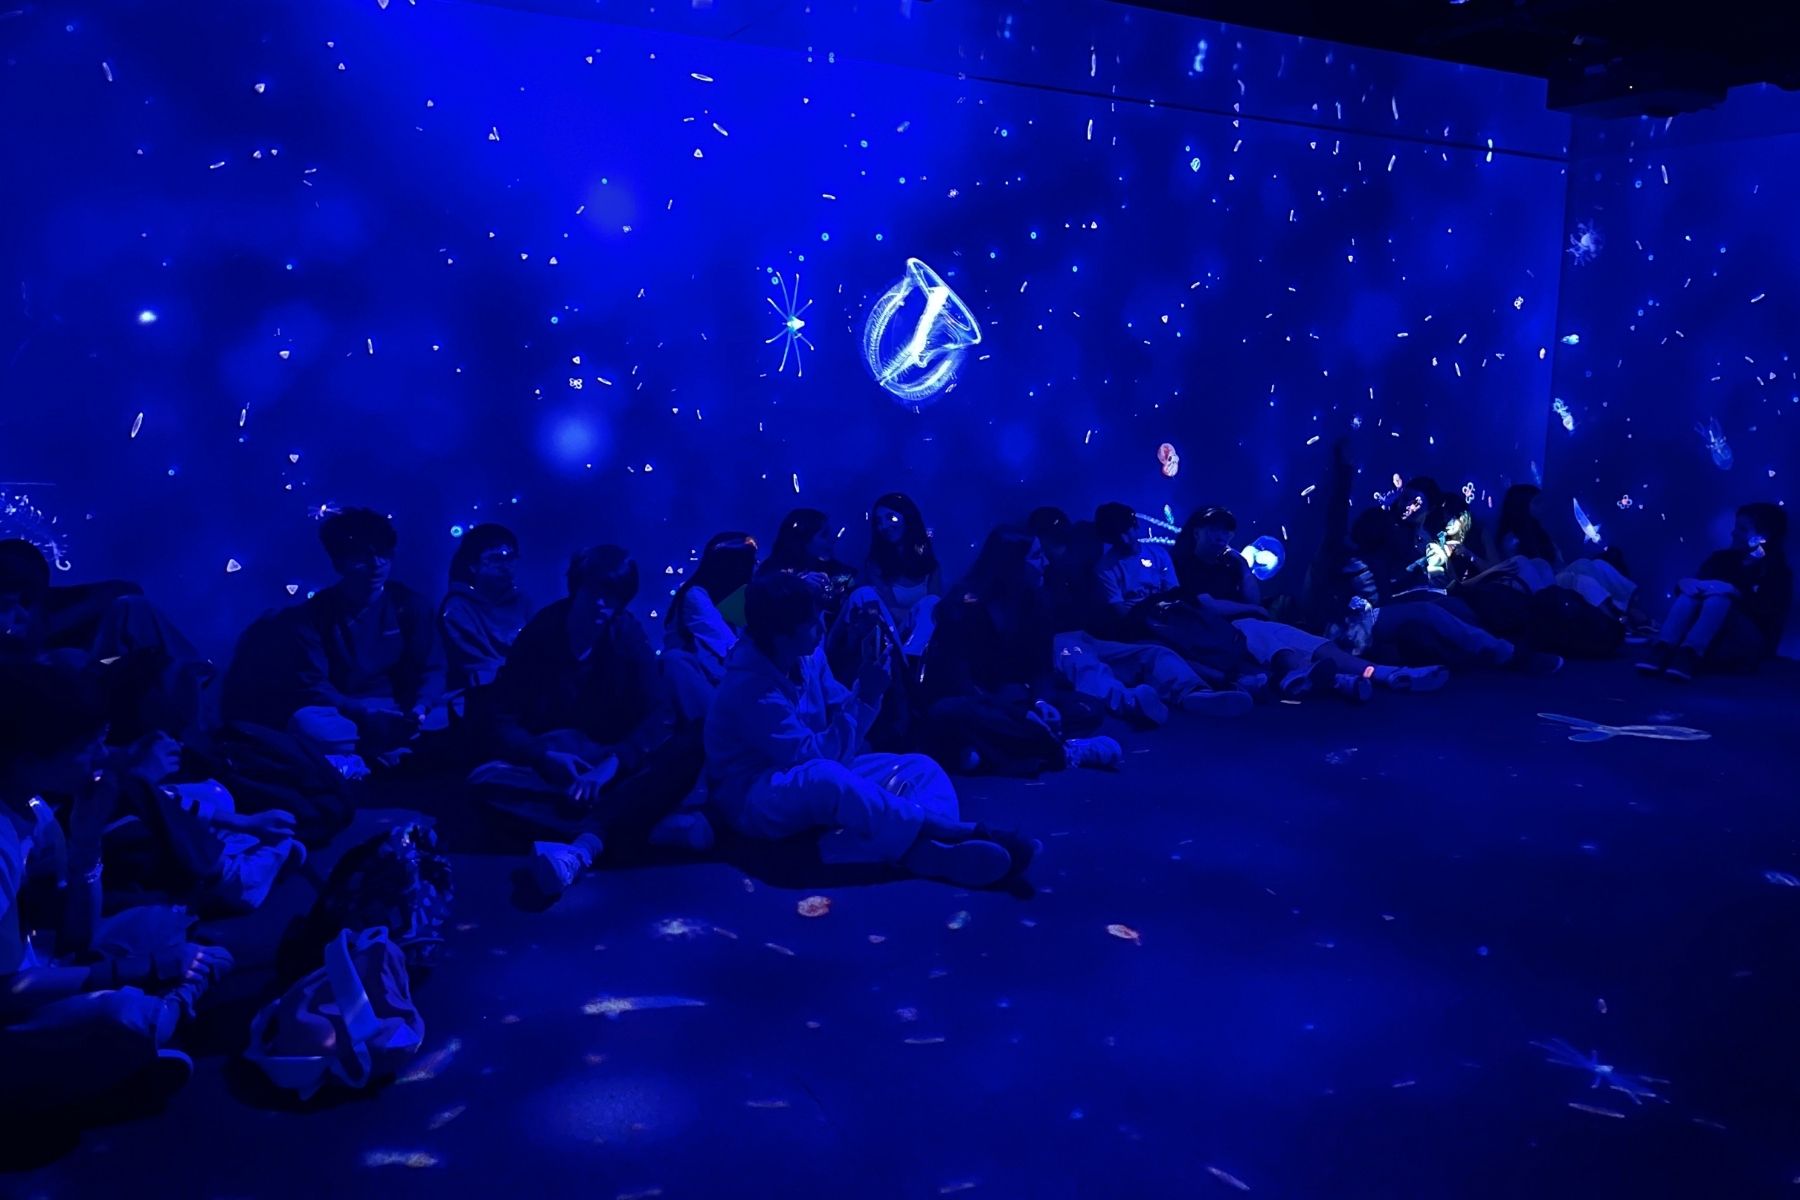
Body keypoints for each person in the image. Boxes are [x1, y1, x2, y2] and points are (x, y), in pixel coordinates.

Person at [0, 662, 233, 1112]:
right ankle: (153, 1023)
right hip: (9, 1005)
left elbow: (75, 938)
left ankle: (136, 1038)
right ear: (28, 760)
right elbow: (5, 990)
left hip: (38, 966)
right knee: (127, 1016)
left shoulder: (31, 804)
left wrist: (87, 840)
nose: (102, 757)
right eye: (88, 747)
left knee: (168, 923)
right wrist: (141, 969)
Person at [705, 572, 1029, 886]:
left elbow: (837, 708)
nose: (822, 629)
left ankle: (922, 850)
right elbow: (810, 757)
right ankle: (951, 831)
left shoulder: (806, 657)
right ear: (781, 635)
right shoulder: (750, 687)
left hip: (814, 766)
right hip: (756, 795)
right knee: (825, 778)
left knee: (921, 767)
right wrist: (866, 698)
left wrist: (868, 683)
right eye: (812, 624)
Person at [475, 546, 709, 902]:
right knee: (487, 781)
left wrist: (613, 762)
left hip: (609, 764)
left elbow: (658, 714)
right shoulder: (543, 632)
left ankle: (588, 836)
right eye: (594, 593)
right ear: (577, 588)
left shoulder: (625, 633)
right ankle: (623, 823)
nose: (602, 604)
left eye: (612, 596)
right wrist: (542, 756)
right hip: (555, 764)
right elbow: (499, 716)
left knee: (692, 745)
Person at [1309, 440, 1563, 674]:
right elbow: (1338, 522)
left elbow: (1421, 584)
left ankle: (1514, 645)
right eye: (1404, 499)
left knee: (1454, 609)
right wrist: (1345, 472)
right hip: (1363, 617)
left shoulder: (1418, 540)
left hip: (1392, 605)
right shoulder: (1365, 544)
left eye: (1415, 501)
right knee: (1429, 612)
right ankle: (1507, 655)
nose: (1406, 506)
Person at [1174, 506, 1447, 699]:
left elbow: (1253, 598)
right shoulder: (1186, 564)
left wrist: (1244, 569)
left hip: (1253, 623)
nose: (1221, 538)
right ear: (1196, 532)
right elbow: (1207, 605)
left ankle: (1389, 674)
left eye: (1226, 532)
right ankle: (1342, 680)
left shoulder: (1228, 564)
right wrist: (1252, 609)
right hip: (1222, 629)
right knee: (1280, 647)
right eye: (1214, 530)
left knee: (1318, 645)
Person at [922, 526, 1120, 776]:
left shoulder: (1035, 604)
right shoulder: (961, 608)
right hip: (977, 701)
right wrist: (1020, 713)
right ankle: (1060, 752)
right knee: (948, 713)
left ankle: (989, 752)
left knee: (1089, 709)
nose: (1046, 562)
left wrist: (1041, 702)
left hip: (1018, 699)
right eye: (1036, 556)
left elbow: (1042, 668)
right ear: (1011, 564)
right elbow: (959, 683)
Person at [1027, 507, 1239, 724]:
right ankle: (1130, 702)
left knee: (1154, 652)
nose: (1049, 557)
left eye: (1062, 543)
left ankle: (1194, 692)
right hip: (1063, 642)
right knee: (1081, 659)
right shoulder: (1029, 590)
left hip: (1087, 636)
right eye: (1049, 546)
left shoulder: (1070, 575)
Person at [281, 508, 448, 760]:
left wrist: (421, 707)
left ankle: (378, 753)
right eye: (362, 557)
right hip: (348, 713)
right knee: (305, 723)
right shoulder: (316, 613)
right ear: (339, 563)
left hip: (402, 709)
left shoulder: (409, 605)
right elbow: (314, 683)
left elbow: (432, 667)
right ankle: (392, 753)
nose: (376, 564)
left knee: (457, 710)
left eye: (383, 554)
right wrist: (360, 711)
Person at [1085, 503, 1259, 712]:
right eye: (1117, 535)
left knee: (1203, 632)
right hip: (1139, 625)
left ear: (1134, 526)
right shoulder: (1105, 568)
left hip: (1170, 615)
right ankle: (1221, 682)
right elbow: (1121, 611)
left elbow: (1174, 592)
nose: (1125, 539)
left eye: (1127, 531)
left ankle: (1234, 676)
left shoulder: (1158, 554)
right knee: (1165, 647)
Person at [1637, 502, 1792, 680]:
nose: (1734, 533)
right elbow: (1699, 589)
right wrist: (1684, 585)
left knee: (1720, 598)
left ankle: (1690, 653)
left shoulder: (1775, 571)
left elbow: (1768, 613)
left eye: (1742, 529)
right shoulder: (1721, 559)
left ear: (1763, 536)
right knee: (1692, 595)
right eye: (1736, 527)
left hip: (1745, 640)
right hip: (1713, 635)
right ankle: (1664, 647)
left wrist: (1734, 593)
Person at [663, 531, 758, 722]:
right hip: (699, 686)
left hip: (720, 680)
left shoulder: (729, 597)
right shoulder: (695, 595)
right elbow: (728, 646)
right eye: (748, 562)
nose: (753, 567)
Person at [439, 524, 533, 693]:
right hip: (476, 697)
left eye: (511, 558)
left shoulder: (523, 602)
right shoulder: (457, 608)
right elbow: (476, 663)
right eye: (495, 559)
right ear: (472, 565)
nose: (505, 566)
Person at [859, 493, 943, 658]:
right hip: (893, 638)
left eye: (891, 518)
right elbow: (890, 612)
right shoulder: (876, 564)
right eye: (879, 521)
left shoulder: (930, 565)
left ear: (908, 518)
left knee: (931, 604)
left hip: (927, 640)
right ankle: (910, 660)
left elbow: (936, 610)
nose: (884, 526)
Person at [759, 508, 857, 621]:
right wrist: (798, 586)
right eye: (824, 535)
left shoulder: (839, 573)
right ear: (803, 539)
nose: (832, 539)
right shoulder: (771, 572)